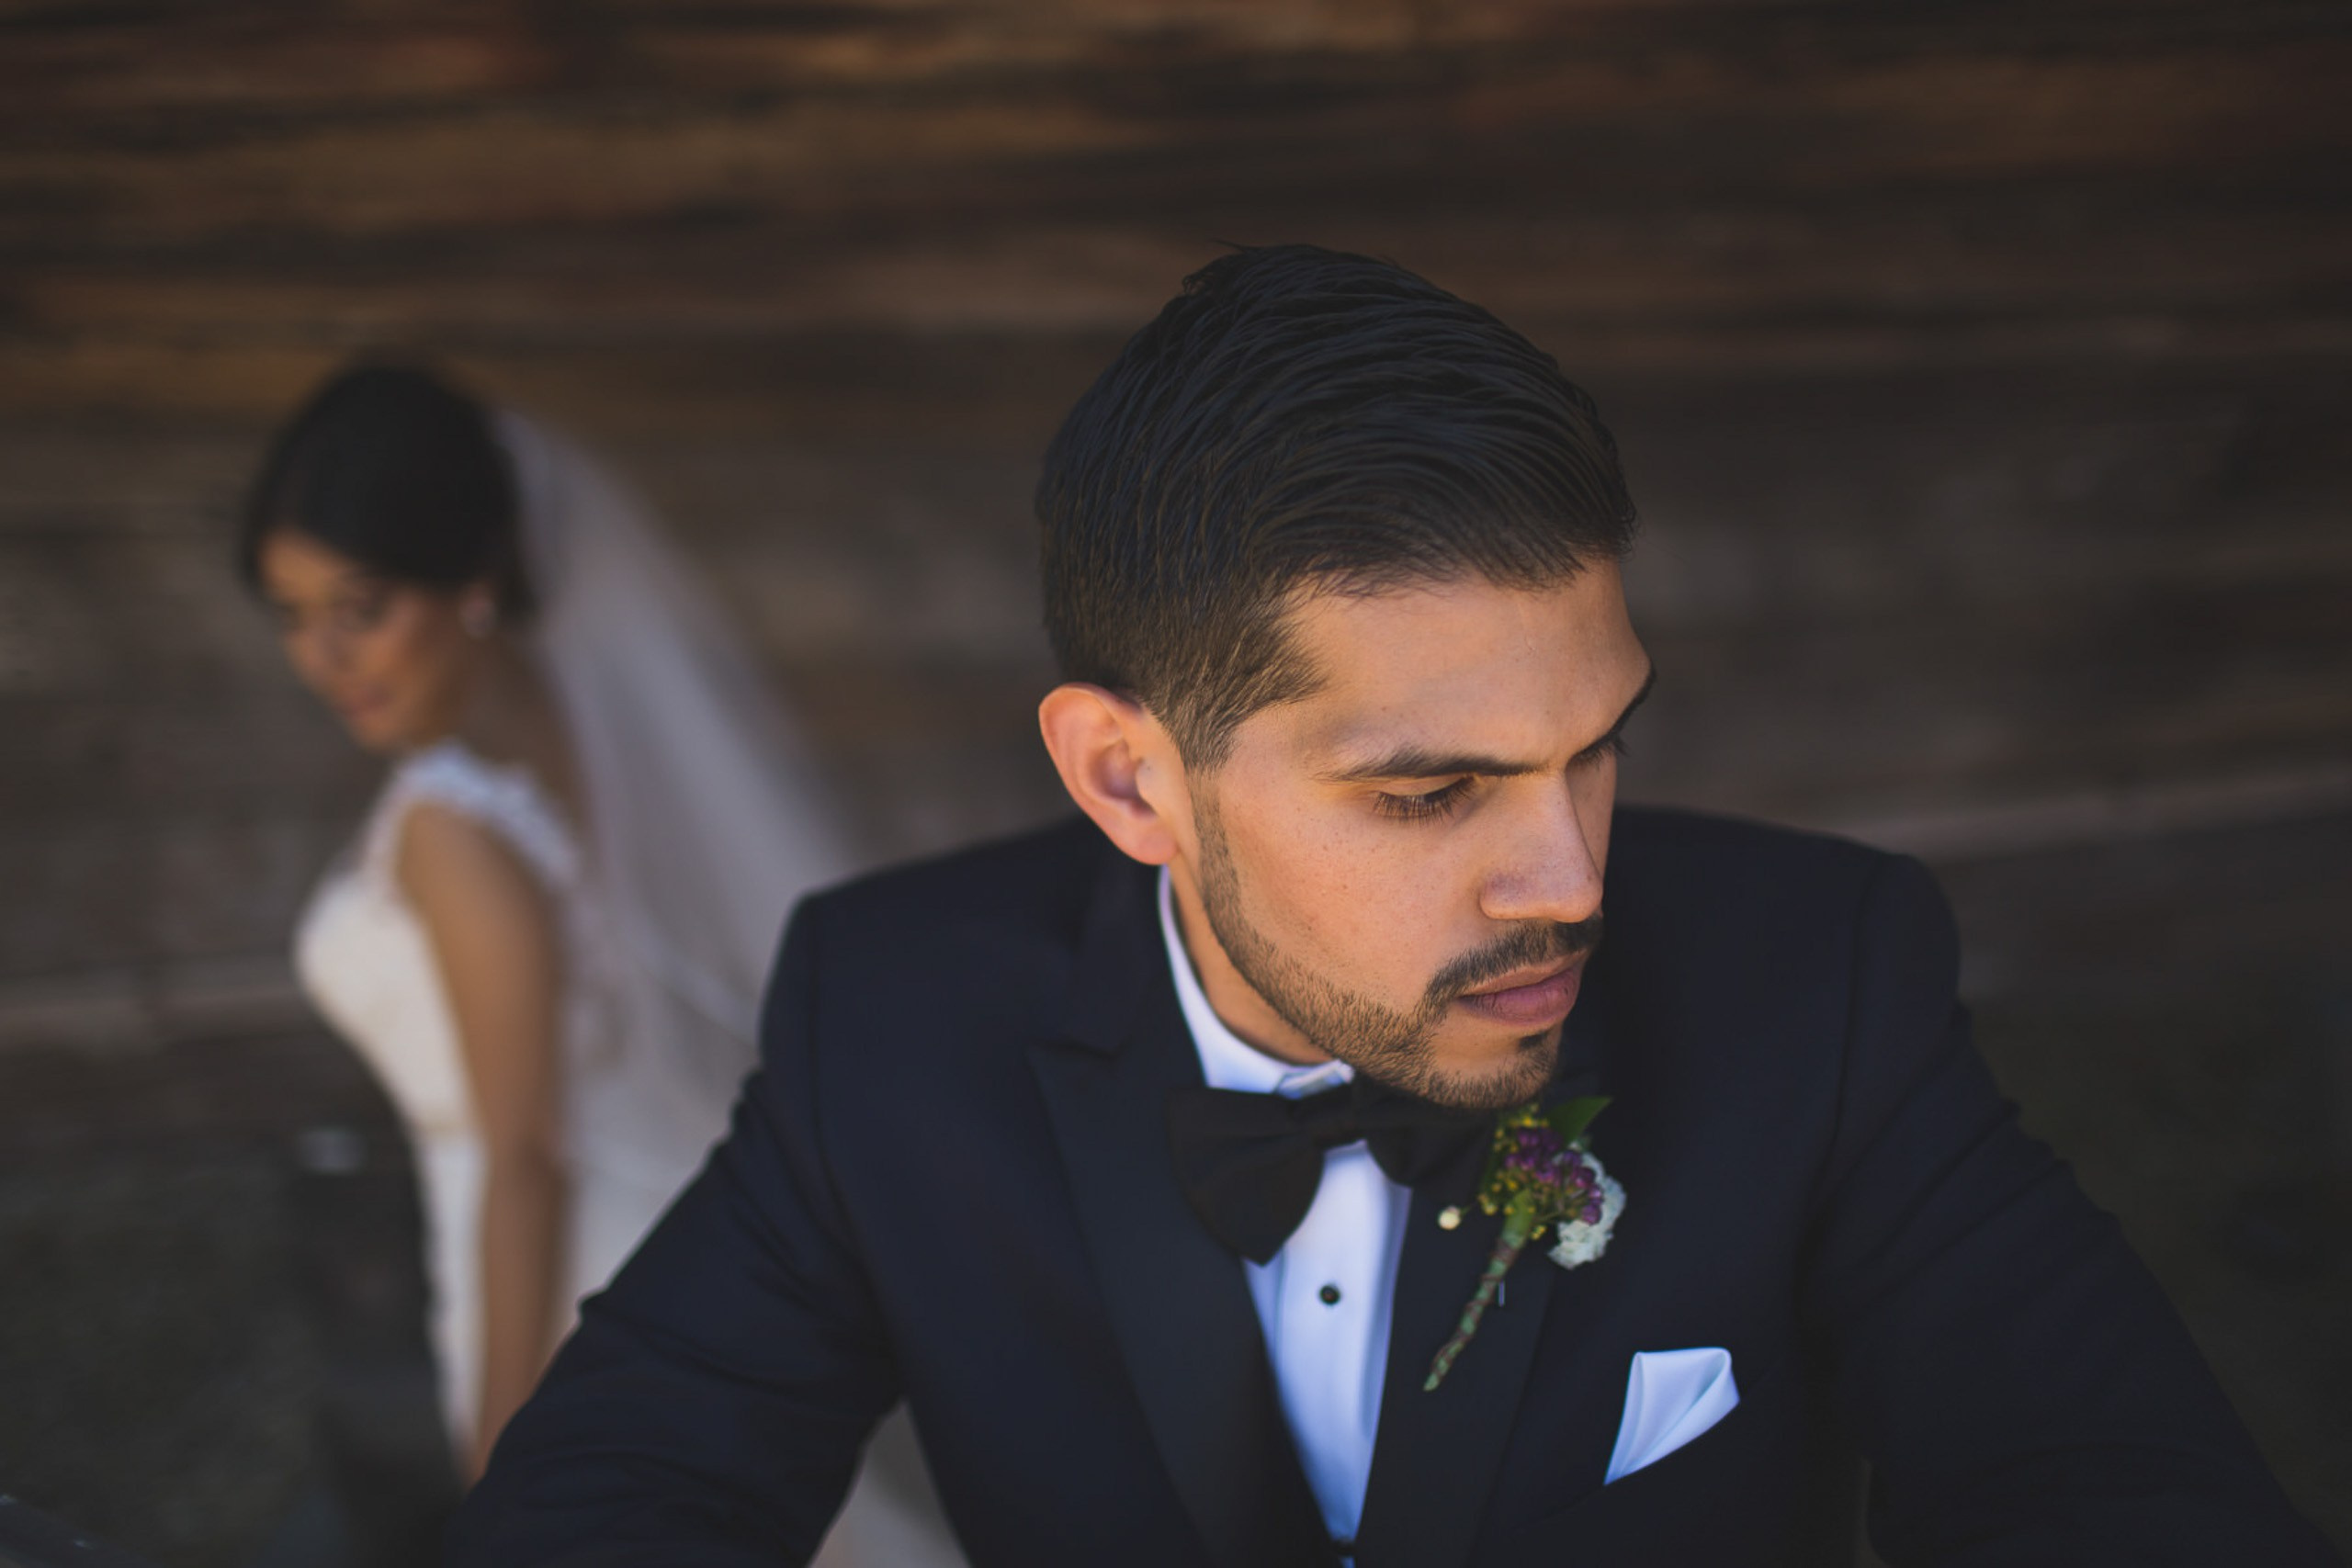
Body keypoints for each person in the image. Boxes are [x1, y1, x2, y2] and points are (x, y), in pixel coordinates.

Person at [448, 250, 2335, 1566]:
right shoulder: (887, 1018)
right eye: (1428, 792)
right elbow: (619, 1489)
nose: (1571, 877)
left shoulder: (1817, 983)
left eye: (1593, 745)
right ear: (1128, 779)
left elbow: (2113, 1490)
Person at [242, 366, 955, 1563]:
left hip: (567, 1274)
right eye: (293, 615)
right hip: (656, 1226)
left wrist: (506, 1473)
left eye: (360, 608)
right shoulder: (555, 729)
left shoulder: (449, 826)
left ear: (470, 581)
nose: (324, 658)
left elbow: (525, 1156)